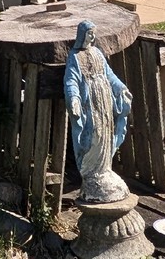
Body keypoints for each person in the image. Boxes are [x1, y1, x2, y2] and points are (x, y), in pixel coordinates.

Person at [64, 20, 133, 203]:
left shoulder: (97, 53)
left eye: (94, 34)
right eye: (89, 33)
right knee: (94, 136)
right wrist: (74, 100)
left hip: (104, 104)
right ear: (82, 35)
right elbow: (71, 81)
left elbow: (109, 75)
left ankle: (104, 170)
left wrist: (121, 88)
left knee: (106, 135)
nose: (92, 37)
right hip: (90, 106)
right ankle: (92, 172)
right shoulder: (74, 57)